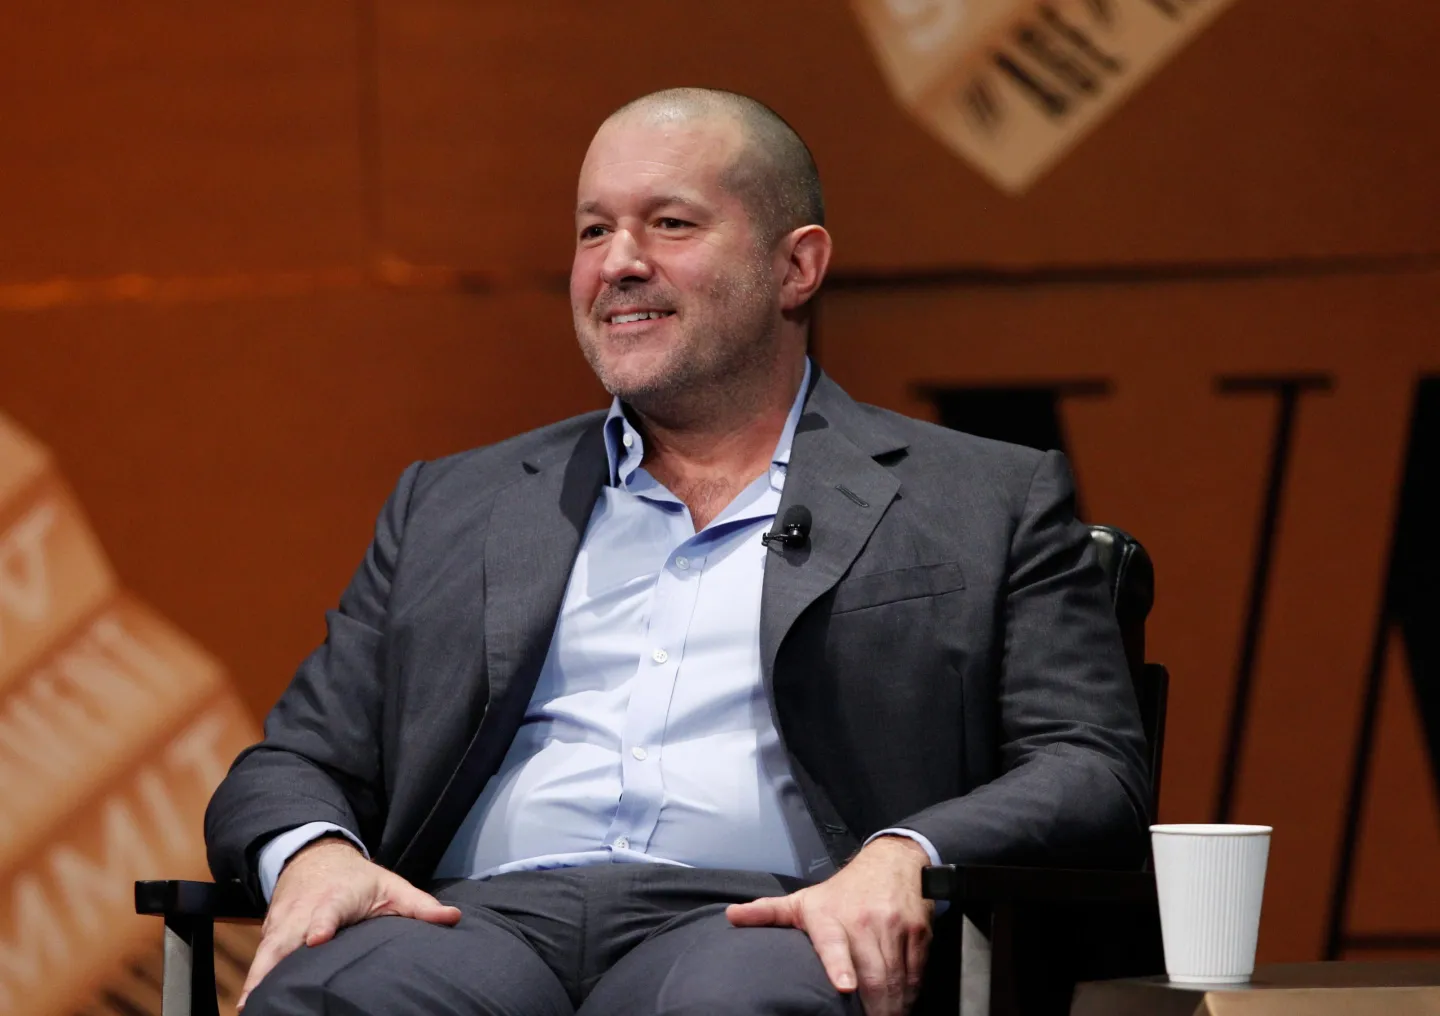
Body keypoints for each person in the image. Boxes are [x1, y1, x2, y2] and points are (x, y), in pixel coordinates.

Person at [205, 87, 1149, 1016]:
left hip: (764, 919)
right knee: (333, 996)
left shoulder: (981, 497)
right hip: (470, 925)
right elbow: (293, 760)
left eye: (669, 224)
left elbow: (1089, 763)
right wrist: (316, 855)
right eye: (591, 231)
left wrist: (903, 853)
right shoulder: (454, 503)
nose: (618, 263)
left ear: (798, 267)